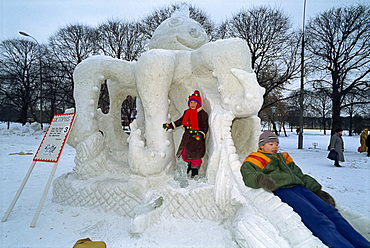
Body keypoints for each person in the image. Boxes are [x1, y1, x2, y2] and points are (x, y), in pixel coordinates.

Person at [240, 131, 370, 248]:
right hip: (284, 191)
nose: (275, 147)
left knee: (331, 212)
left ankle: (363, 244)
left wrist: (317, 190)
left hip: (301, 188)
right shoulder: (255, 158)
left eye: (276, 144)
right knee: (317, 219)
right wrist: (261, 179)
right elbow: (248, 174)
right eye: (271, 144)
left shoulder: (283, 157)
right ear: (261, 145)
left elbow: (299, 175)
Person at [163, 90, 209, 177]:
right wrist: (171, 125)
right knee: (187, 154)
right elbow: (180, 121)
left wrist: (200, 134)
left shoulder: (203, 114)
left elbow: (204, 127)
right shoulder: (187, 112)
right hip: (187, 139)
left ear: (198, 103)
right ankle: (189, 169)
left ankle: (194, 174)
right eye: (191, 102)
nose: (192, 104)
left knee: (196, 157)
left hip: (197, 141)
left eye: (194, 102)